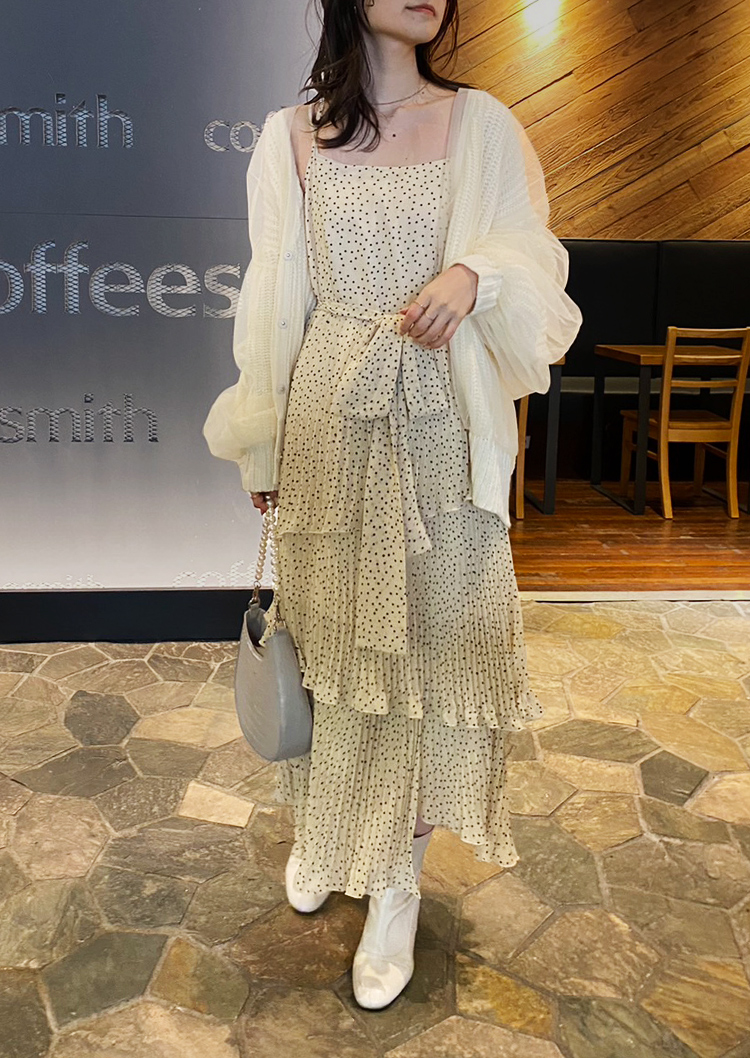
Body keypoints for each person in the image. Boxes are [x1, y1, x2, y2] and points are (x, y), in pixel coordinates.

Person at [202, 0, 582, 1011]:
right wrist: (261, 437)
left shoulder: (482, 123)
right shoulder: (289, 136)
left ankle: (398, 885)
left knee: (426, 655)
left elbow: (537, 253)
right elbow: (271, 298)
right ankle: (329, 834)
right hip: (329, 417)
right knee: (331, 647)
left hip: (441, 427)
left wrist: (475, 271)